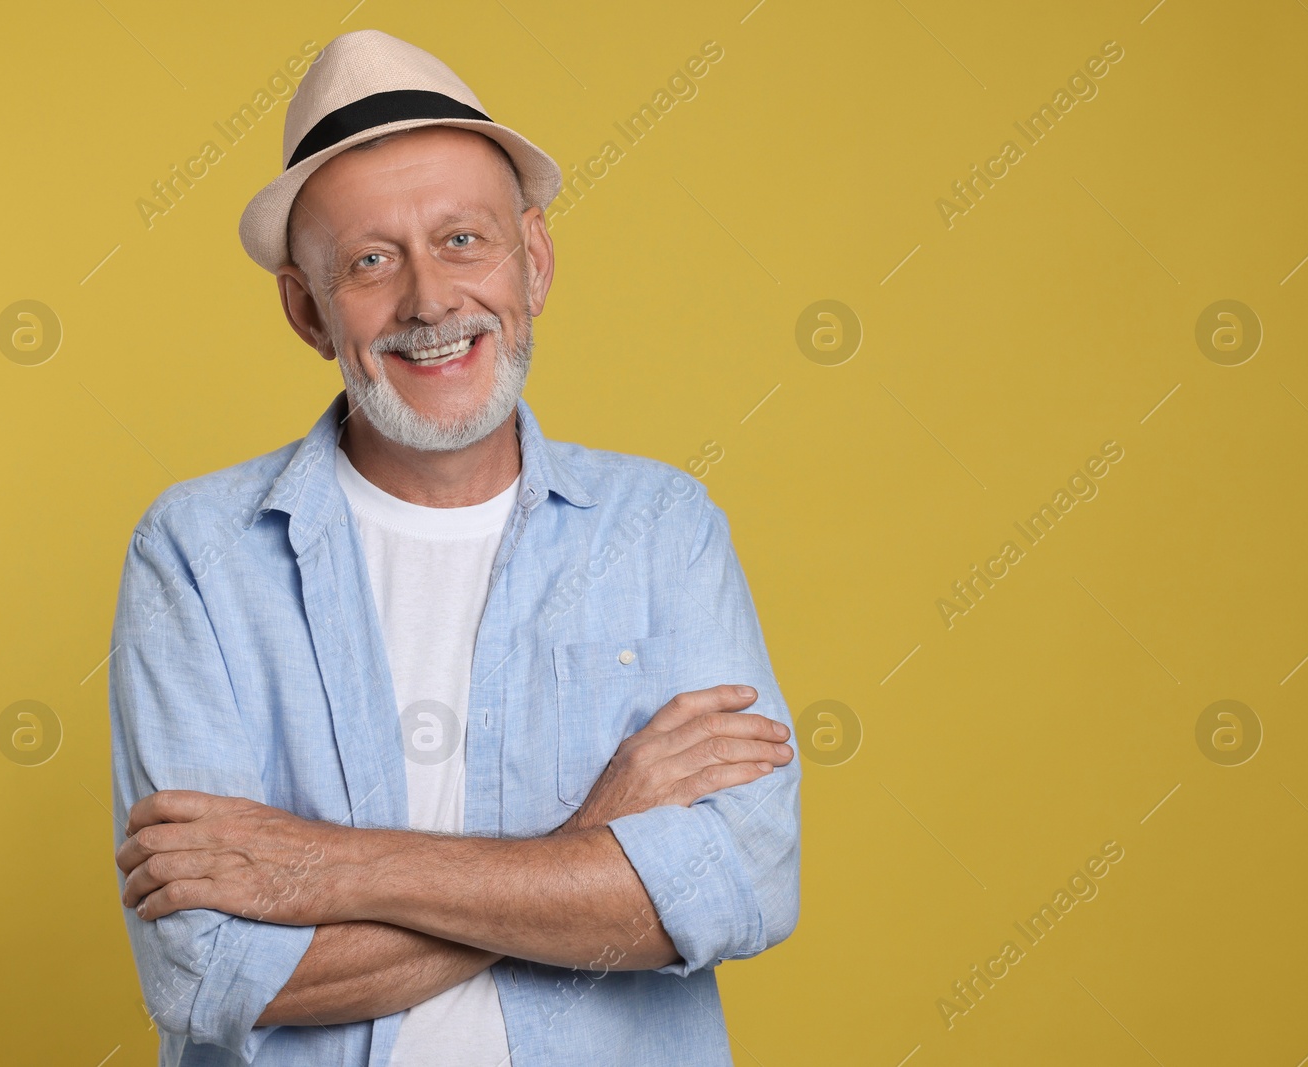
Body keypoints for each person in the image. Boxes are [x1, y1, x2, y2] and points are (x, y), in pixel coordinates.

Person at [106, 28, 800, 1067]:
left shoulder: (662, 526)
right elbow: (206, 971)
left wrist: (324, 866)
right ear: (307, 309)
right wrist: (587, 849)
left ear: (535, 260)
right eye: (372, 261)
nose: (430, 301)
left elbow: (735, 887)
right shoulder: (198, 551)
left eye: (463, 241)